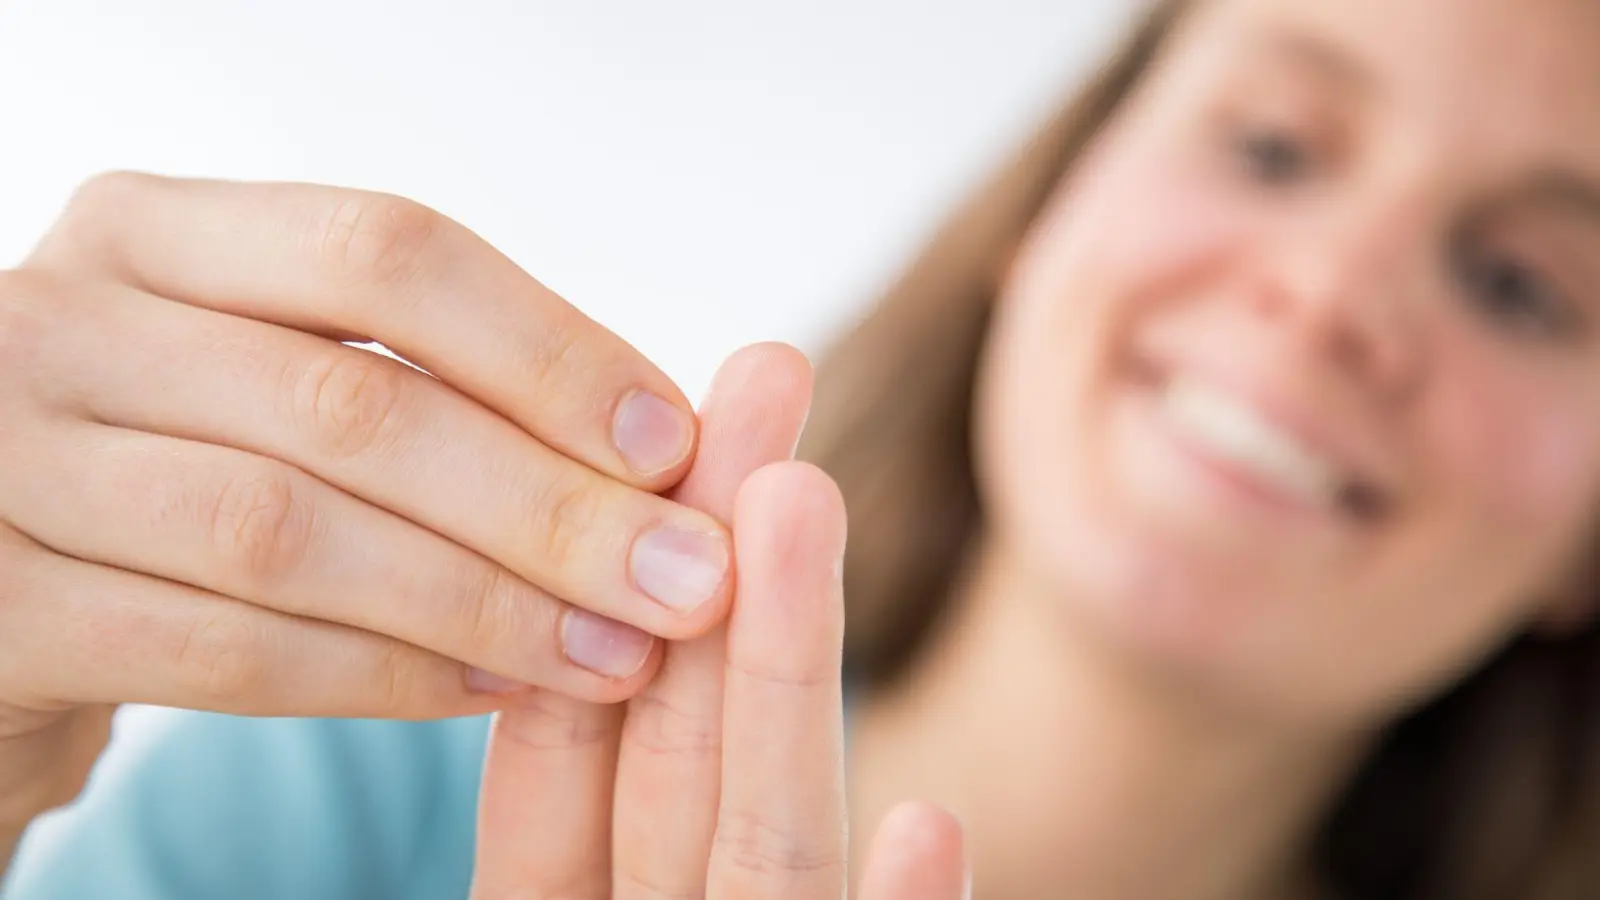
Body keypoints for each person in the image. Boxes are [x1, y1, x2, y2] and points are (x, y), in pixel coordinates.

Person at [3, 0, 1598, 895]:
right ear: (1045, 211)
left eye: (1525, 285)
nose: (1330, 297)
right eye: (1268, 145)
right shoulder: (371, 770)